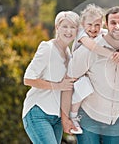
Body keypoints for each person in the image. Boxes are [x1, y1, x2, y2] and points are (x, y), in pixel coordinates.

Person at [61, 6, 119, 144]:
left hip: (115, 119)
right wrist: (65, 118)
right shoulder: (89, 49)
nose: (117, 26)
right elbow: (69, 79)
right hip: (88, 118)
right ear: (107, 25)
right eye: (113, 23)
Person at [22, 11, 79, 144]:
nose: (68, 31)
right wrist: (58, 85)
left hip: (56, 117)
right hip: (38, 112)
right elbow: (28, 79)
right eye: (65, 26)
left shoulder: (69, 54)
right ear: (57, 28)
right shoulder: (47, 48)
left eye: (73, 27)